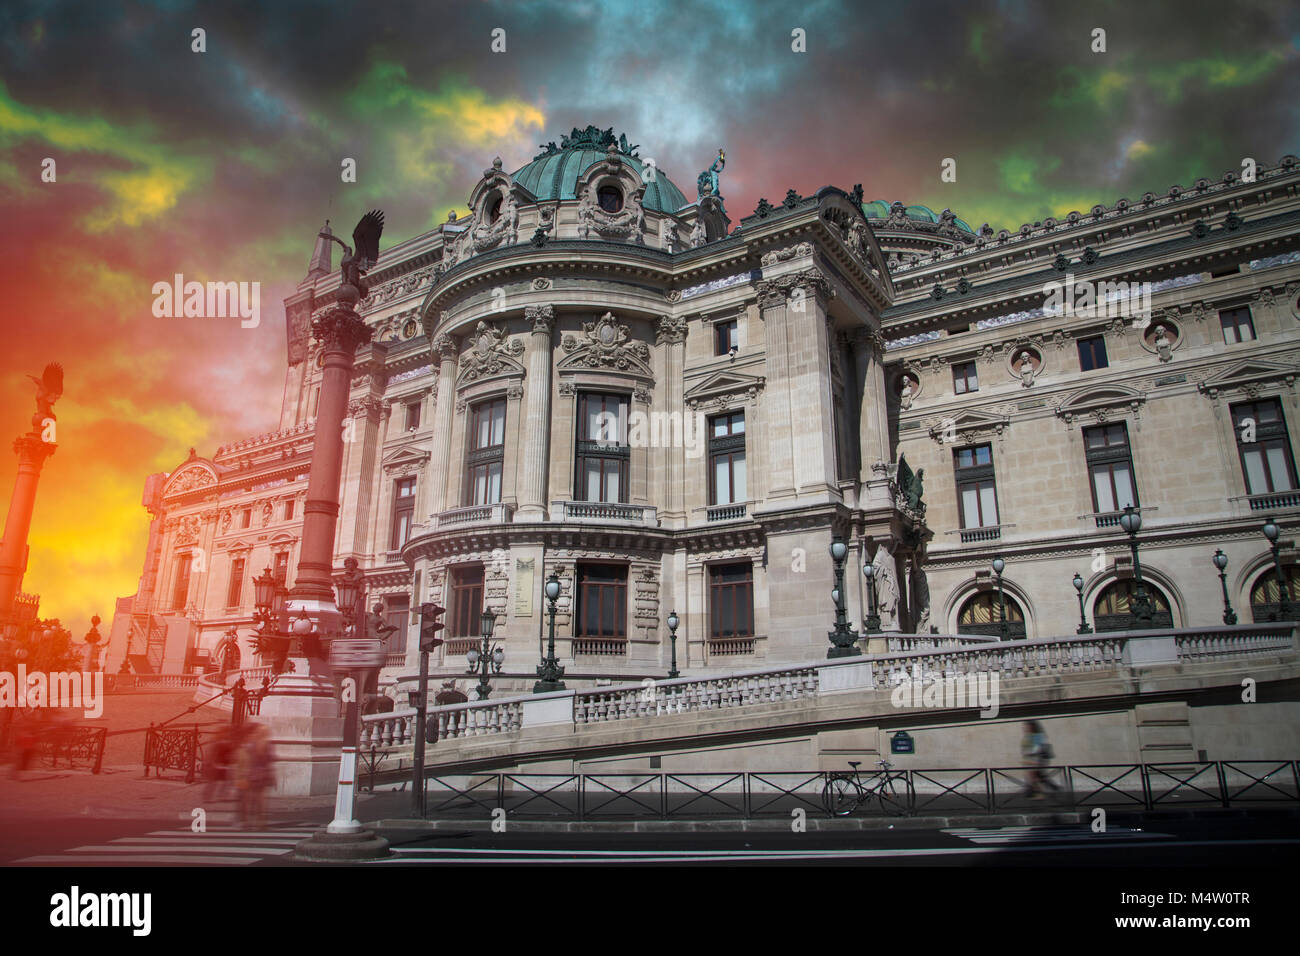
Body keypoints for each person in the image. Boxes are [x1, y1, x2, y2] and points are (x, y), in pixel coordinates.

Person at [234, 723, 275, 829]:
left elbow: (243, 759)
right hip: (262, 774)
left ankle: (247, 821)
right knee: (260, 799)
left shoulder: (250, 745)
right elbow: (271, 759)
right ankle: (259, 822)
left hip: (251, 774)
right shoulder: (267, 745)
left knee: (249, 799)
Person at [1021, 720, 1060, 800]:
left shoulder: (1037, 736)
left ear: (1033, 727)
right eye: (1025, 727)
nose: (1025, 728)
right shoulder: (1028, 736)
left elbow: (1036, 750)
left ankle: (1038, 793)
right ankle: (1052, 788)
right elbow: (1025, 748)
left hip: (1037, 760)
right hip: (1031, 760)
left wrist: (1028, 754)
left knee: (1033, 776)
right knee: (1037, 776)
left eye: (1027, 727)